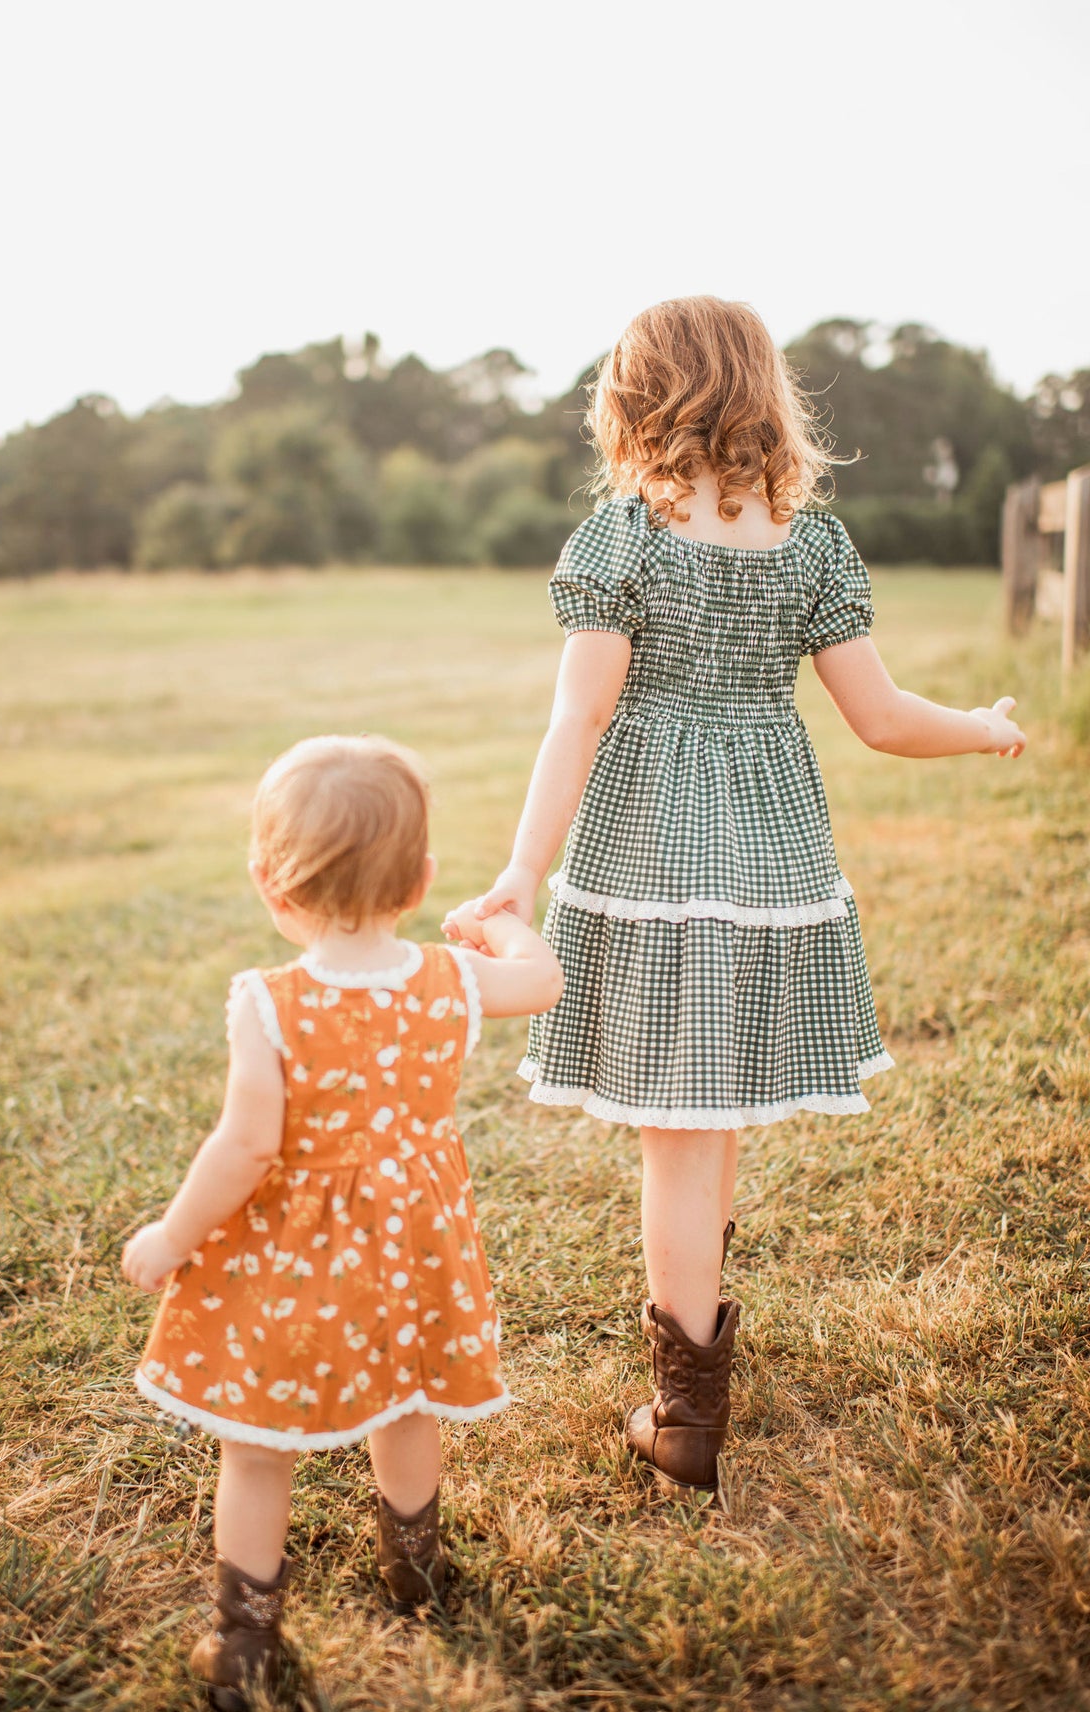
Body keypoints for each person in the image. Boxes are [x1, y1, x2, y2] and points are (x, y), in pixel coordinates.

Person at [443, 295, 1026, 1505]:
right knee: (707, 1131)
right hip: (769, 867)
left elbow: (582, 716)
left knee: (680, 1142)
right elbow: (879, 718)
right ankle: (690, 1382)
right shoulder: (809, 544)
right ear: (764, 392)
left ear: (634, 398)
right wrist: (980, 728)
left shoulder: (627, 536)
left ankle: (684, 1416)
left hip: (652, 859)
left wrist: (521, 870)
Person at [122, 734, 562, 1710]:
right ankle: (415, 1568)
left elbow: (244, 1150)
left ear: (270, 889)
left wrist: (172, 1237)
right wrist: (499, 926)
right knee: (406, 1397)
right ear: (423, 878)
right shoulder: (451, 980)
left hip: (294, 1260)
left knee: (256, 1439)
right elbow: (545, 981)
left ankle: (245, 1638)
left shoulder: (269, 1005)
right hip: (413, 1247)